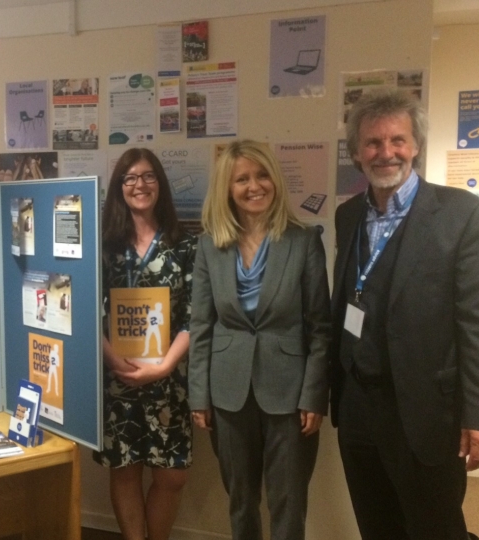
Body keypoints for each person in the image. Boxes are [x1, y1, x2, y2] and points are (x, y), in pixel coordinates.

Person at [330, 89, 479, 540]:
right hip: (358, 411)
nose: (386, 153)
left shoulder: (463, 215)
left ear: (416, 146)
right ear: (355, 152)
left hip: (428, 410)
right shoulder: (348, 216)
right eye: (372, 143)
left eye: (397, 140)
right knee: (377, 524)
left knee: (435, 527)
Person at [188, 140, 331, 540]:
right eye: (242, 179)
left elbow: (320, 327)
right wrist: (198, 394)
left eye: (262, 175)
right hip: (228, 391)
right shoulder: (209, 246)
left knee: (289, 500)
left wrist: (314, 395)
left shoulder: (303, 241)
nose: (255, 186)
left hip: (290, 394)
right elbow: (201, 324)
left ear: (275, 180)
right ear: (227, 189)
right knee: (240, 498)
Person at [93, 148, 197, 540]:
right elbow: (84, 308)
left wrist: (166, 365)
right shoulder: (104, 247)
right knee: (125, 469)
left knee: (173, 476)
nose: (140, 184)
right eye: (130, 177)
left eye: (149, 176)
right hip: (116, 377)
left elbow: (193, 316)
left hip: (168, 379)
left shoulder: (184, 246)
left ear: (161, 184)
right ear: (120, 187)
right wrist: (110, 357)